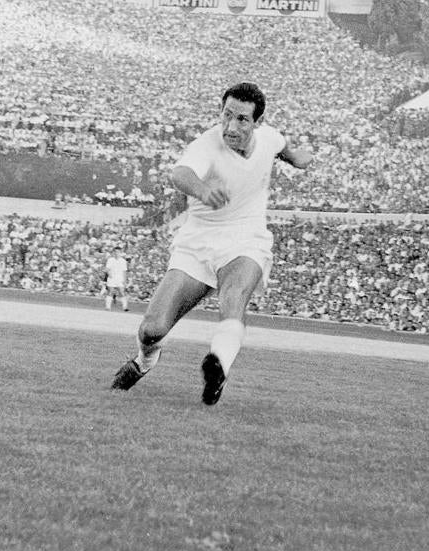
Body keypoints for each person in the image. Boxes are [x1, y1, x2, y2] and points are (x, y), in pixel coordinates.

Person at [111, 82, 313, 404]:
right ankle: (145, 360)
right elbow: (180, 173)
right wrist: (203, 190)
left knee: (233, 299)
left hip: (246, 238)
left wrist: (298, 158)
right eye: (226, 115)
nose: (231, 126)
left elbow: (283, 149)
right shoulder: (207, 144)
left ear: (257, 123)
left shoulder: (269, 138)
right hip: (198, 242)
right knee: (152, 329)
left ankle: (218, 365)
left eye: (242, 119)